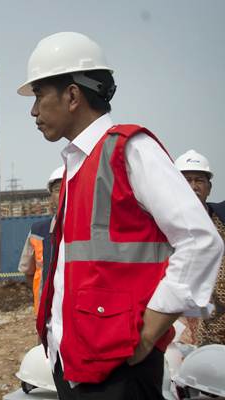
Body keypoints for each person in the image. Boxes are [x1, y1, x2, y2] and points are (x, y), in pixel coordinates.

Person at [17, 32, 223, 399]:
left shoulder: (130, 150)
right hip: (75, 364)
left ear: (72, 96)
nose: (33, 111)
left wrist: (149, 332)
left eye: (38, 96)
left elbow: (200, 240)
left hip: (120, 371)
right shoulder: (76, 167)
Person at [175, 149, 225, 345]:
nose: (193, 186)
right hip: (177, 327)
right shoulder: (161, 226)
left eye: (199, 180)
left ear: (209, 187)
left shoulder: (221, 218)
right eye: (186, 180)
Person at [18, 166, 64, 316]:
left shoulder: (92, 230)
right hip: (46, 317)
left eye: (68, 185)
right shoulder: (38, 232)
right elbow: (29, 272)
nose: (63, 192)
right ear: (51, 196)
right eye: (57, 189)